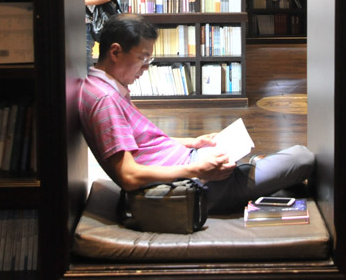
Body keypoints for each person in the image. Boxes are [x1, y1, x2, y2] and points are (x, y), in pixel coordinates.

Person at [78, 13, 315, 214]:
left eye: (149, 59)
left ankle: (251, 166)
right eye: (142, 58)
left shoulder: (103, 85)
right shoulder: (106, 100)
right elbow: (128, 176)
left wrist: (192, 142)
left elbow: (141, 143)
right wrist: (198, 170)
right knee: (303, 158)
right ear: (115, 52)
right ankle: (252, 167)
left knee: (269, 165)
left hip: (190, 167)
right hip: (194, 186)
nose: (146, 67)